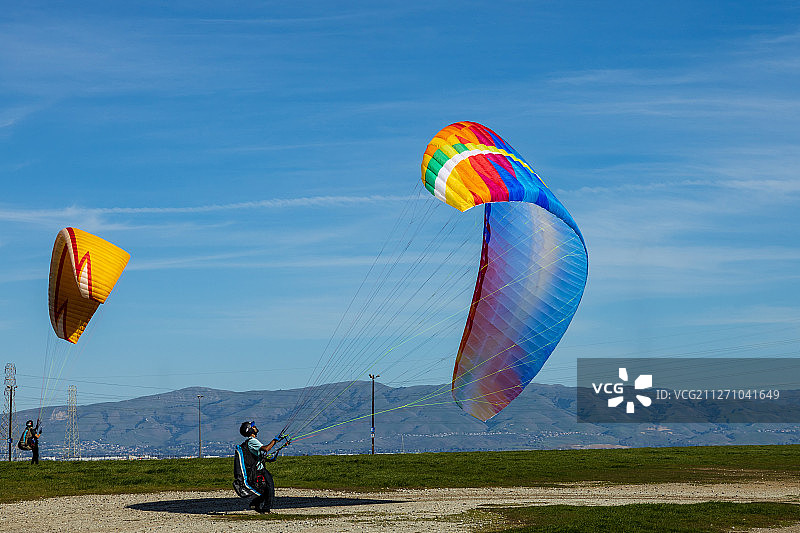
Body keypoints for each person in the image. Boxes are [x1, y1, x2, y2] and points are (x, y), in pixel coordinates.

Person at [239, 421, 285, 513]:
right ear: (250, 430)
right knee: (270, 488)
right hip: (259, 470)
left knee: (265, 490)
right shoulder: (252, 441)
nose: (255, 427)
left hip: (258, 469)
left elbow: (259, 454)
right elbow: (266, 448)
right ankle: (266, 509)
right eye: (253, 426)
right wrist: (275, 440)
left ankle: (255, 504)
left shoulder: (250, 442)